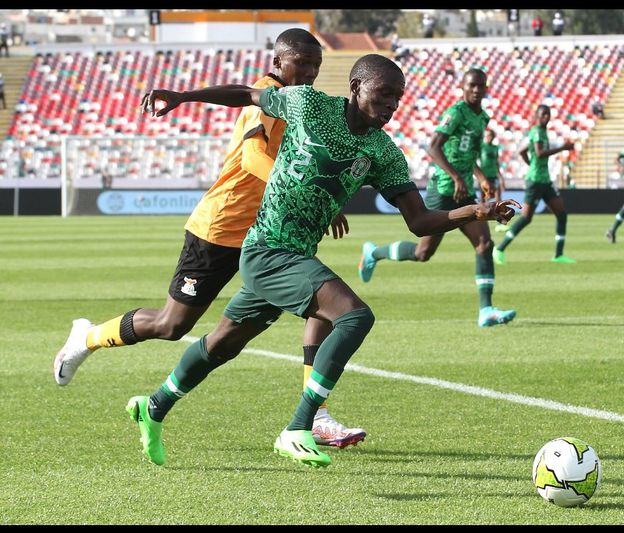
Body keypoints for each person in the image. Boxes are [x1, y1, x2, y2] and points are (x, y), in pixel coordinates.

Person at [124, 54, 518, 468]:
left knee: (223, 344)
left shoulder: (383, 152)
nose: (391, 105)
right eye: (384, 94)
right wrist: (183, 96)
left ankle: (153, 406)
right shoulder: (308, 104)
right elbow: (246, 94)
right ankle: (299, 427)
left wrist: (474, 212)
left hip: (295, 256)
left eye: (398, 98)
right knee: (354, 316)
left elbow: (419, 221)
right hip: (265, 249)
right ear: (356, 87)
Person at [53, 28, 367, 449]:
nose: (310, 72)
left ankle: (316, 417)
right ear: (278, 63)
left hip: (269, 234)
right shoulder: (266, 95)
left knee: (322, 305)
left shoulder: (302, 104)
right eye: (302, 63)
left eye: (316, 65)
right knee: (171, 325)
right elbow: (254, 156)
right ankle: (88, 337)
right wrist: (305, 188)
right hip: (221, 227)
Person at [357, 69, 518, 329]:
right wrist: (456, 177)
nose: (476, 90)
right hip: (444, 189)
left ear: (486, 88)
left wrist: (480, 177)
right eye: (472, 85)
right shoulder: (456, 113)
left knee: (484, 244)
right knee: (423, 253)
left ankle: (486, 310)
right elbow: (433, 147)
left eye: (481, 86)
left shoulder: (482, 118)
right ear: (463, 87)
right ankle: (374, 253)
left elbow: (468, 155)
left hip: (464, 192)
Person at [493, 104, 576, 265]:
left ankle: (558, 255)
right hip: (535, 181)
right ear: (537, 116)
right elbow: (539, 153)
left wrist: (531, 164)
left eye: (548, 114)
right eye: (543, 114)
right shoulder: (537, 131)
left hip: (545, 180)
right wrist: (563, 148)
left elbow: (523, 150)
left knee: (562, 215)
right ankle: (499, 249)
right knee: (526, 218)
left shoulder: (542, 132)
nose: (546, 117)